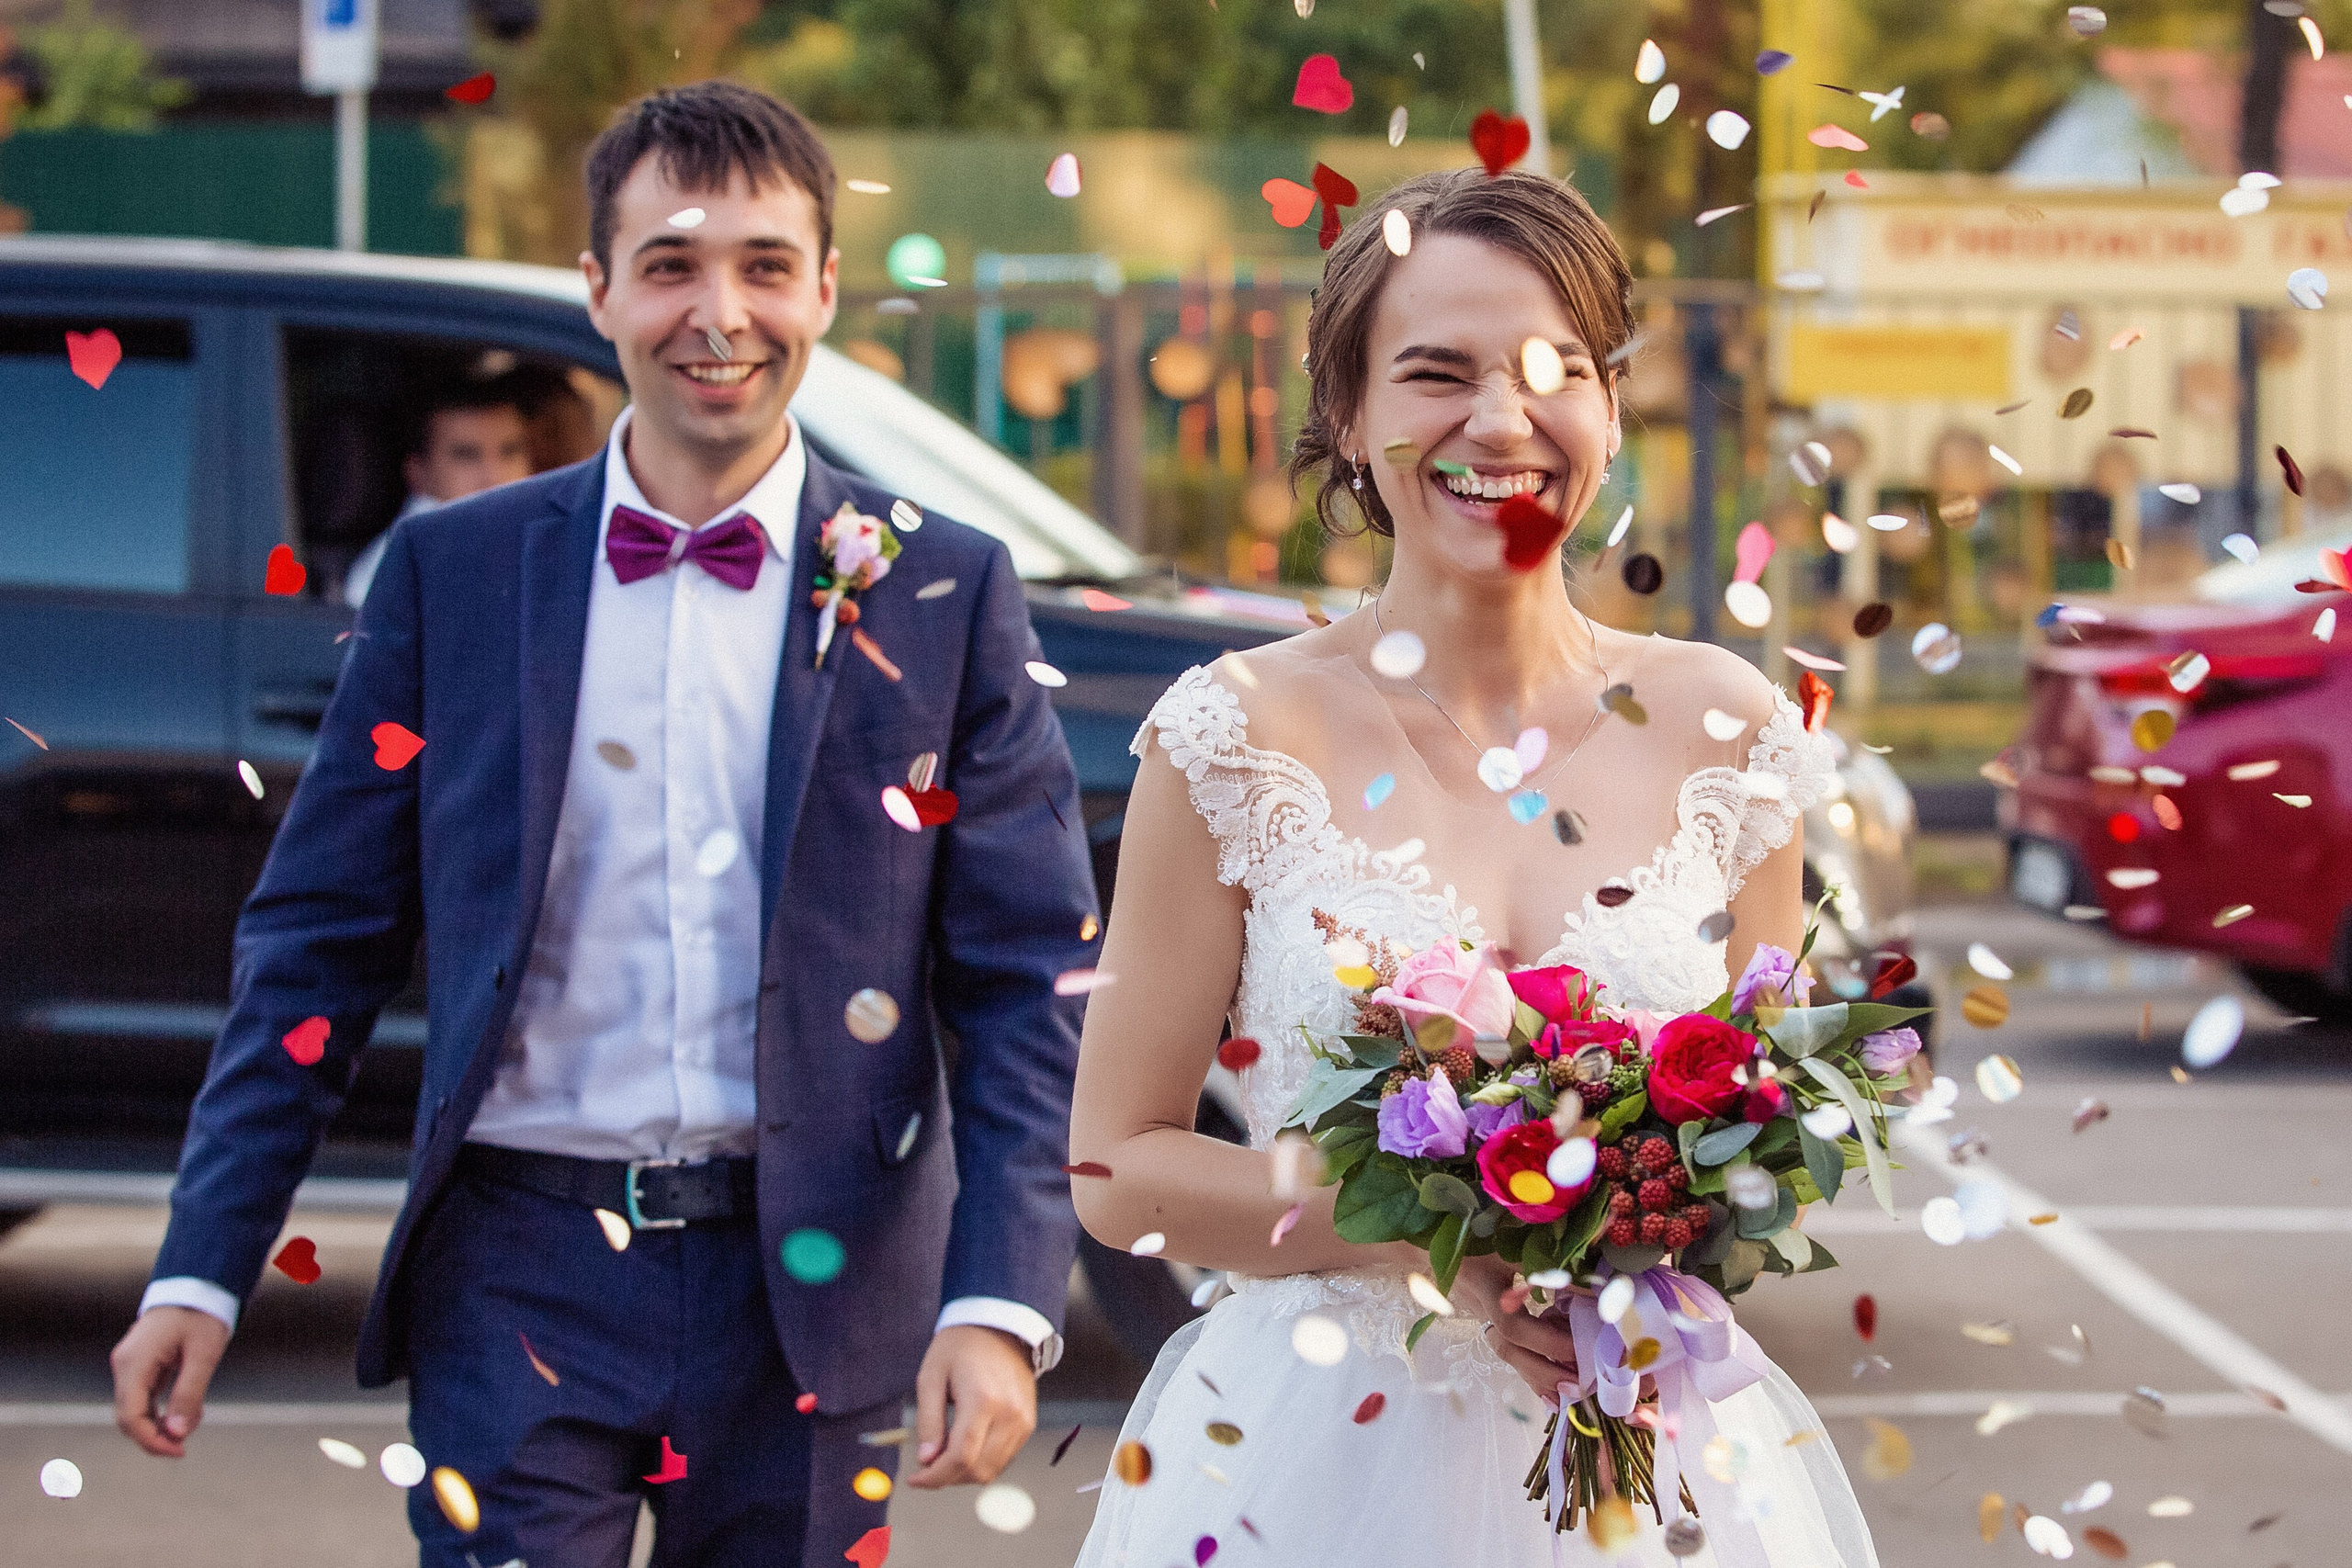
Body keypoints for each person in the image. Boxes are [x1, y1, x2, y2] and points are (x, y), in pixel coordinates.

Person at [109, 81, 1095, 1568]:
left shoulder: (939, 588)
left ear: (826, 287)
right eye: (673, 264)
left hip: (816, 1273)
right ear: (600, 289)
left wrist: (1000, 1300)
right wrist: (201, 1261)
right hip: (518, 1263)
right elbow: (317, 941)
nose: (721, 312)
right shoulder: (455, 572)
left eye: (767, 265)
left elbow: (1025, 980)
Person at [1068, 169, 1879, 1566]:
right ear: (1348, 415)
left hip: (1652, 1455)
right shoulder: (1231, 732)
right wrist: (1429, 1233)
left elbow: (1760, 1138)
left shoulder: (1728, 730)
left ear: (1611, 412)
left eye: (1554, 370)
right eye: (1435, 372)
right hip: (1305, 1461)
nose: (1500, 421)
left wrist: (1647, 1227)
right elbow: (1115, 1166)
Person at [344, 382, 536, 607]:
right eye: (467, 455)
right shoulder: (404, 562)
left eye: (509, 451)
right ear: (418, 474)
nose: (494, 476)